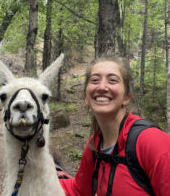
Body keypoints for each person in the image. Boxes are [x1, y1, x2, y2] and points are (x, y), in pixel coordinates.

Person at [59, 57, 170, 196]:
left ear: (126, 98)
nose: (102, 87)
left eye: (112, 80)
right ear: (85, 97)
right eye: (94, 80)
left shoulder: (150, 141)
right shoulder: (95, 145)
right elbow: (78, 191)